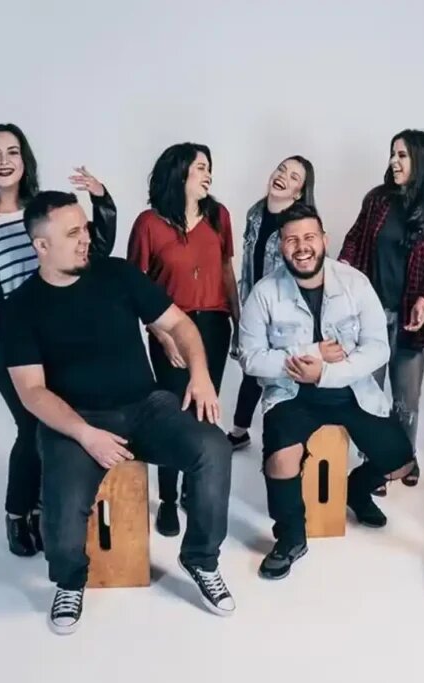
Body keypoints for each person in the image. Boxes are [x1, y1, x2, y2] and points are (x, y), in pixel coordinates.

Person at [2, 191, 235, 635]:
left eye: (85, 228)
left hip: (145, 407)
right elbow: (32, 392)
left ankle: (201, 559)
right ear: (42, 246)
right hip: (75, 422)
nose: (85, 239)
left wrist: (200, 375)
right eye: (73, 233)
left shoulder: (117, 274)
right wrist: (84, 434)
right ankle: (70, 581)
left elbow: (179, 323)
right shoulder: (20, 308)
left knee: (213, 449)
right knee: (62, 513)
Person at [0, 122, 116, 557]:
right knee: (33, 425)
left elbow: (93, 251)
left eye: (12, 152)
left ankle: (43, 507)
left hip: (56, 336)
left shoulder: (43, 212)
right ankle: (19, 513)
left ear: (24, 161)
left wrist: (102, 201)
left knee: (59, 425)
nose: (4, 161)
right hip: (7, 343)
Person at [239, 203, 415, 579]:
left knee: (401, 463)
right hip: (291, 393)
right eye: (291, 240)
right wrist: (312, 353)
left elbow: (378, 348)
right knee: (280, 460)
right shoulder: (264, 293)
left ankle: (356, 489)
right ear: (281, 245)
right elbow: (250, 358)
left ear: (324, 240)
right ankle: (291, 537)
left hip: (350, 388)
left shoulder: (355, 283)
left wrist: (326, 374)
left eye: (309, 237)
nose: (302, 247)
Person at [128, 142, 240, 537]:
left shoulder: (219, 216)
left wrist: (239, 322)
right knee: (173, 415)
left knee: (204, 410)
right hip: (171, 329)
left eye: (210, 168)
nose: (209, 175)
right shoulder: (148, 223)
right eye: (201, 167)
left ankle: (196, 489)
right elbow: (135, 286)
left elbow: (227, 270)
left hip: (215, 325)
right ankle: (168, 499)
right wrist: (161, 335)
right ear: (179, 173)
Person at [339, 129, 424, 491]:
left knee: (407, 399)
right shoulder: (378, 200)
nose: (394, 161)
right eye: (393, 153)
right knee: (369, 393)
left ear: (421, 160)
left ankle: (405, 458)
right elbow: (355, 238)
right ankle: (374, 465)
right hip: (370, 316)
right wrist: (344, 269)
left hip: (409, 320)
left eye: (402, 155)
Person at [227, 155, 316, 451]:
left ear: (299, 192)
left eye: (293, 177)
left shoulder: (299, 226)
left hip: (286, 314)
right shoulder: (255, 213)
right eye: (281, 169)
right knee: (252, 367)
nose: (283, 177)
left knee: (284, 376)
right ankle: (240, 431)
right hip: (254, 304)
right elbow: (247, 264)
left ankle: (287, 442)